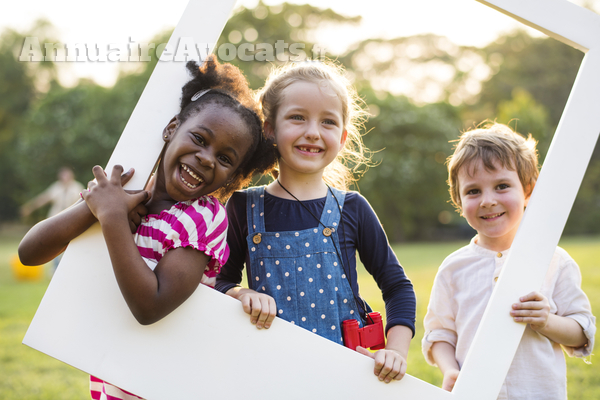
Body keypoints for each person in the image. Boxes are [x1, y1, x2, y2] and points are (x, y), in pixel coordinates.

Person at [18, 55, 277, 400]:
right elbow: (29, 253)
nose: (206, 157)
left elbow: (150, 307)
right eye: (199, 139)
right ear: (172, 128)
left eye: (225, 159)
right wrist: (95, 208)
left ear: (232, 177)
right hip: (112, 374)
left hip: (168, 382)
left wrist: (111, 219)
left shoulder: (203, 218)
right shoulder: (125, 190)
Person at [215, 60, 416, 383]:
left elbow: (397, 287)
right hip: (270, 376)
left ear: (343, 136)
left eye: (328, 122)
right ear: (270, 129)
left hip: (346, 378)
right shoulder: (242, 206)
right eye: (297, 117)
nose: (312, 132)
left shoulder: (353, 208)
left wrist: (395, 350)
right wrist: (238, 293)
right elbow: (216, 281)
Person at [422, 123, 596, 399]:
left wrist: (546, 320)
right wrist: (450, 369)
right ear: (458, 199)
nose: (488, 201)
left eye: (502, 186)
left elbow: (581, 332)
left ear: (528, 191)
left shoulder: (555, 261)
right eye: (473, 191)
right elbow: (439, 334)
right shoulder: (452, 269)